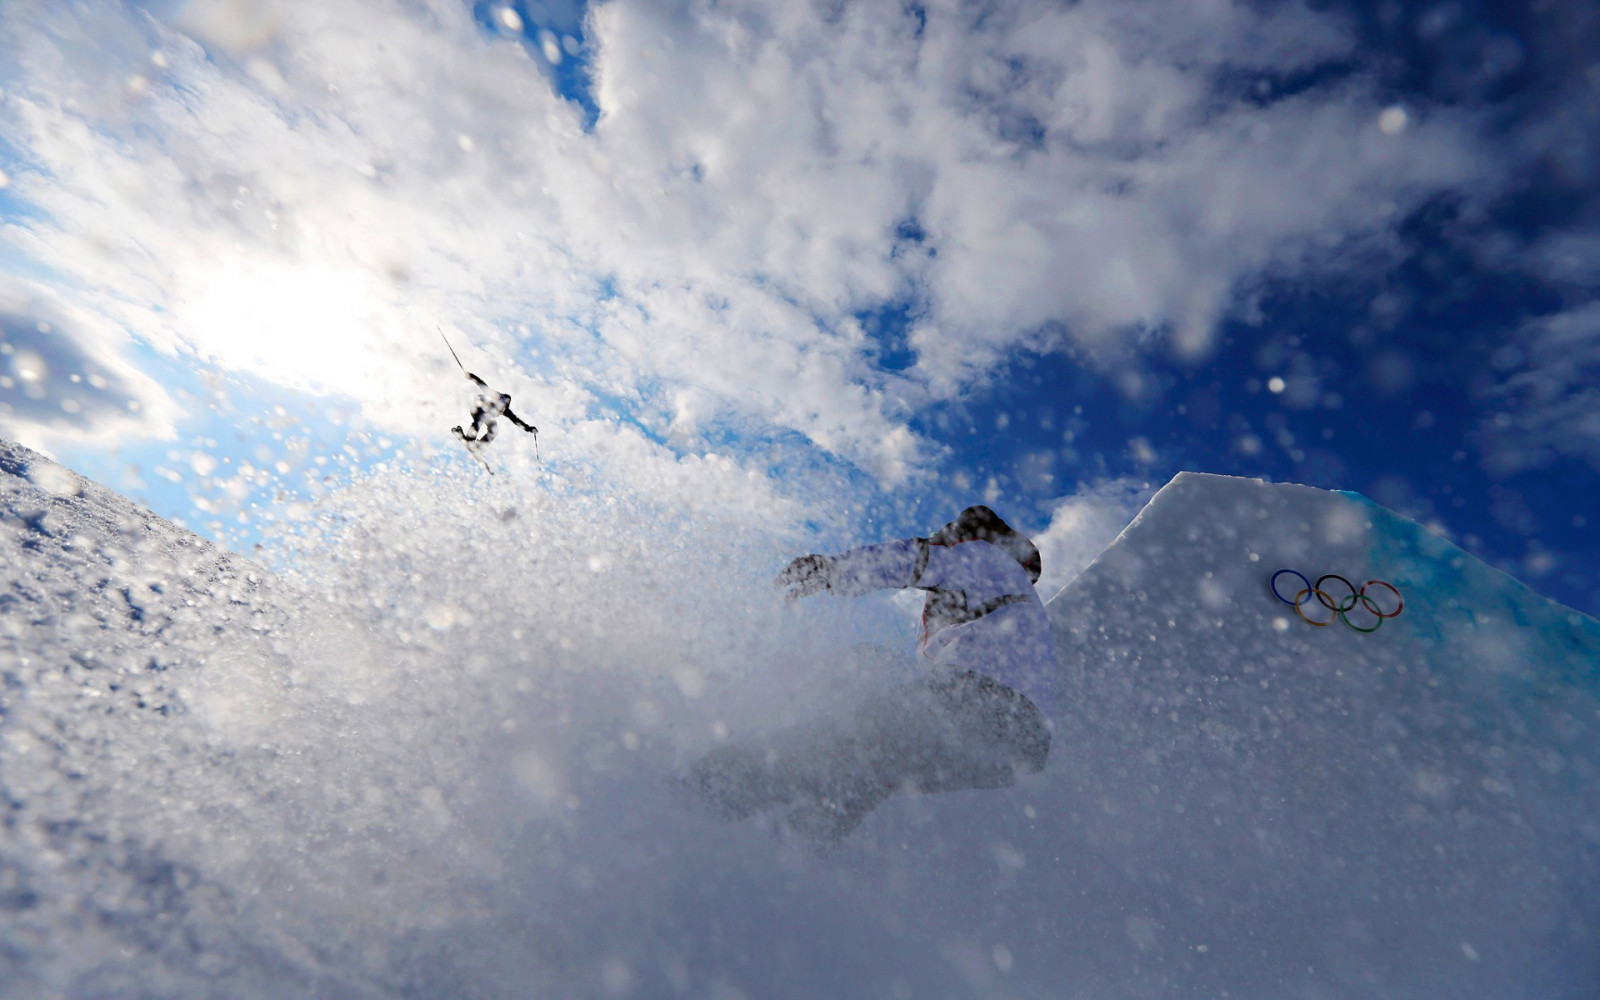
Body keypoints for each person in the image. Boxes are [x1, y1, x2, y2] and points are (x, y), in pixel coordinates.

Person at [688, 505, 1057, 847]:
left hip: (976, 700)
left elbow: (914, 559)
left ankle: (705, 791)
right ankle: (796, 846)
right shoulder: (1006, 607)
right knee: (869, 771)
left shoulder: (984, 558)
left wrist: (831, 570)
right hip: (1015, 748)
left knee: (837, 743)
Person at [452, 371, 538, 451]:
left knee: (494, 429)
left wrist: (529, 428)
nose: (500, 407)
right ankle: (470, 439)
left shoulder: (505, 410)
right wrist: (471, 376)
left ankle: (480, 446)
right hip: (477, 408)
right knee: (481, 417)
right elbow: (481, 384)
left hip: (485, 415)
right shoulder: (493, 395)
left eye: (502, 406)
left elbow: (516, 420)